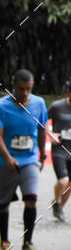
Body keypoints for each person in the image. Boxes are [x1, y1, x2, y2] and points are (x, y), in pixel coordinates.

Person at [0, 69, 47, 250]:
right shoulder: (1, 106)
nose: (25, 93)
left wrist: (42, 155)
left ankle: (27, 243)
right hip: (4, 161)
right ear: (13, 86)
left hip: (29, 159)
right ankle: (4, 241)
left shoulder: (39, 103)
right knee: (3, 203)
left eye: (28, 89)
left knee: (31, 198)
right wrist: (7, 157)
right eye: (21, 89)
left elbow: (42, 129)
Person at [47, 81, 71, 222]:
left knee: (70, 184)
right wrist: (50, 134)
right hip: (59, 150)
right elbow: (42, 120)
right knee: (63, 180)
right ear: (68, 93)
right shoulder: (57, 106)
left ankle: (59, 208)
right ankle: (57, 201)